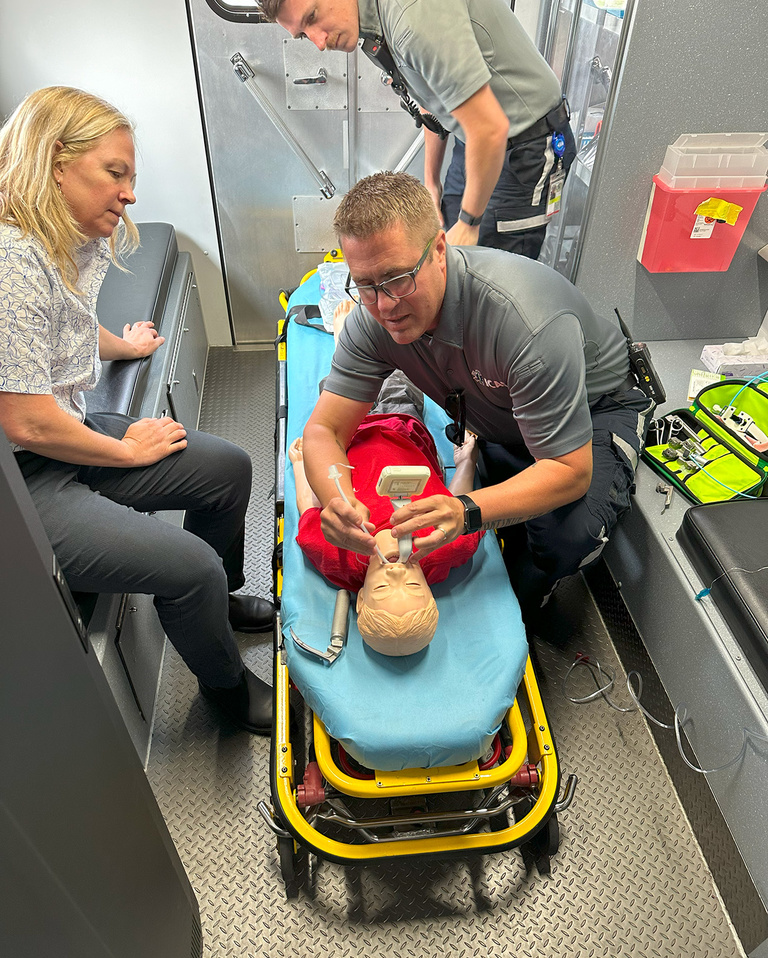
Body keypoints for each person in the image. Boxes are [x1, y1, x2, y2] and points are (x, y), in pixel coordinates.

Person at [0, 86, 275, 733]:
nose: (128, 195)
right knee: (190, 568)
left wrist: (123, 345)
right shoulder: (10, 260)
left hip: (63, 432)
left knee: (228, 470)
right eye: (115, 174)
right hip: (22, 482)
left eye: (131, 177)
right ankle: (225, 690)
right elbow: (25, 420)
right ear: (55, 160)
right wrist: (125, 450)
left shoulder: (67, 236)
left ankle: (218, 600)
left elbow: (57, 327)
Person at [299, 171, 654, 623]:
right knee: (492, 485)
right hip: (500, 409)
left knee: (563, 539)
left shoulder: (525, 324)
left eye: (397, 279)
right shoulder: (372, 319)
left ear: (440, 252)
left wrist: (466, 511)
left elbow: (569, 469)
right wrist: (336, 500)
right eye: (365, 285)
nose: (383, 305)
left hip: (594, 409)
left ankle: (534, 601)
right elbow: (324, 429)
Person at [259, 0, 576, 258]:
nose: (319, 42)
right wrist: (431, 182)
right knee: (452, 245)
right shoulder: (368, 23)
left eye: (313, 17)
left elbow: (491, 128)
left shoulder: (411, 18)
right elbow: (429, 101)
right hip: (475, 137)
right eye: (303, 34)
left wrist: (470, 222)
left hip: (525, 144)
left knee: (493, 276)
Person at [289, 368, 482, 655]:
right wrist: (467, 461)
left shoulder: (339, 557)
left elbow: (312, 509)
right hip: (404, 427)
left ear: (362, 597)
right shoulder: (442, 547)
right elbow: (457, 503)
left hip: (343, 439)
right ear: (431, 591)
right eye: (415, 587)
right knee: (395, 362)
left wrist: (300, 465)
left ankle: (344, 332)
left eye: (382, 589)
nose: (396, 574)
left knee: (347, 371)